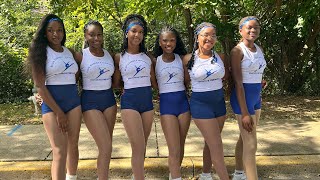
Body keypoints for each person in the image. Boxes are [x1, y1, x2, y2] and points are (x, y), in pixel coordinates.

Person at [27, 14, 81, 180]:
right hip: (52, 106)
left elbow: (78, 74)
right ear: (44, 33)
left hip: (73, 103)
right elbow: (40, 87)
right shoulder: (40, 54)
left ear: (64, 32)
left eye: (59, 30)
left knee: (73, 145)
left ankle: (72, 177)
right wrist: (59, 113)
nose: (55, 34)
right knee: (59, 150)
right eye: (51, 31)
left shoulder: (70, 52)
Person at [183, 22, 229, 180]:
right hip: (200, 105)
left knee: (211, 143)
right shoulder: (189, 59)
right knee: (217, 147)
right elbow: (183, 82)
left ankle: (205, 175)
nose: (209, 38)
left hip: (219, 104)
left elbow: (226, 77)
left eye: (213, 35)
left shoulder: (220, 57)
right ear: (197, 37)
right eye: (205, 35)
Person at [113, 14, 157, 180]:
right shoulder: (119, 57)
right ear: (126, 33)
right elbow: (116, 82)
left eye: (140, 32)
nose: (137, 35)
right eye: (133, 31)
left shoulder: (148, 58)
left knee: (142, 146)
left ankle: (135, 175)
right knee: (138, 146)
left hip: (147, 102)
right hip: (130, 102)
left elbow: (154, 82)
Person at [74, 20, 117, 180]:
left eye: (99, 34)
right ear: (86, 35)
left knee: (106, 147)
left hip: (109, 101)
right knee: (106, 146)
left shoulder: (110, 55)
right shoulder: (80, 55)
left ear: (103, 36)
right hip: (90, 102)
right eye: (92, 35)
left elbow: (117, 80)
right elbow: (71, 79)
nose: (96, 38)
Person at [230, 16, 266, 180]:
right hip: (242, 100)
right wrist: (244, 113)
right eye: (249, 28)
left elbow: (257, 71)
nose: (253, 30)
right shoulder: (237, 51)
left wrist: (260, 82)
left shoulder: (259, 48)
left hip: (256, 97)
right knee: (251, 145)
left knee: (244, 139)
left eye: (256, 27)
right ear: (241, 30)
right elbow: (238, 82)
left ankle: (239, 173)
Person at [153, 26, 191, 180]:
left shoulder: (182, 59)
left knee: (181, 145)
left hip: (183, 105)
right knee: (173, 147)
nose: (168, 43)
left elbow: (187, 81)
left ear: (176, 41)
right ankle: (176, 177)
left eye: (172, 40)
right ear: (160, 43)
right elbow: (153, 82)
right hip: (167, 106)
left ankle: (174, 174)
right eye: (165, 40)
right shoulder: (154, 61)